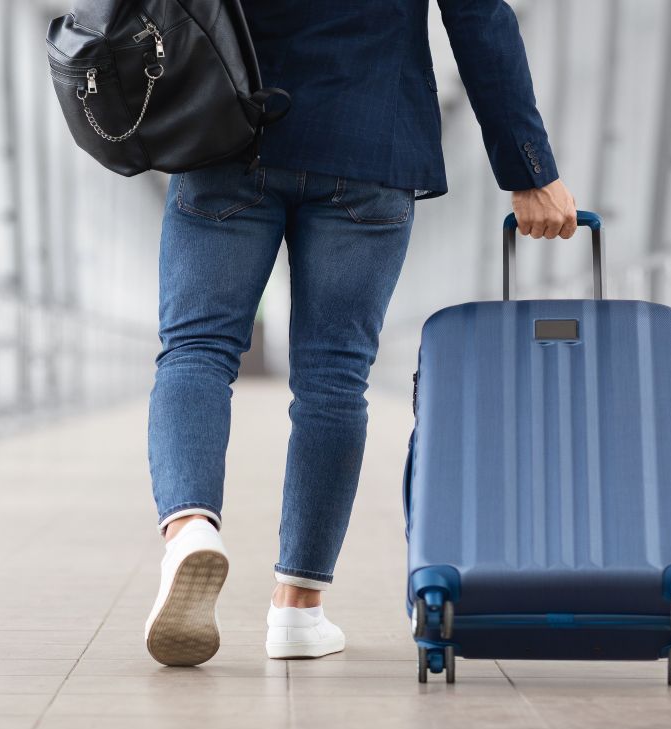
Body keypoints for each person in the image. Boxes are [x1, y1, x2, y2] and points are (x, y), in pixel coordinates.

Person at [144, 1, 578, 666]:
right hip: (371, 141)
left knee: (197, 350)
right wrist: (530, 172)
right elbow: (479, 18)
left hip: (228, 131)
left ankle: (190, 528)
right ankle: (298, 609)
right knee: (333, 379)